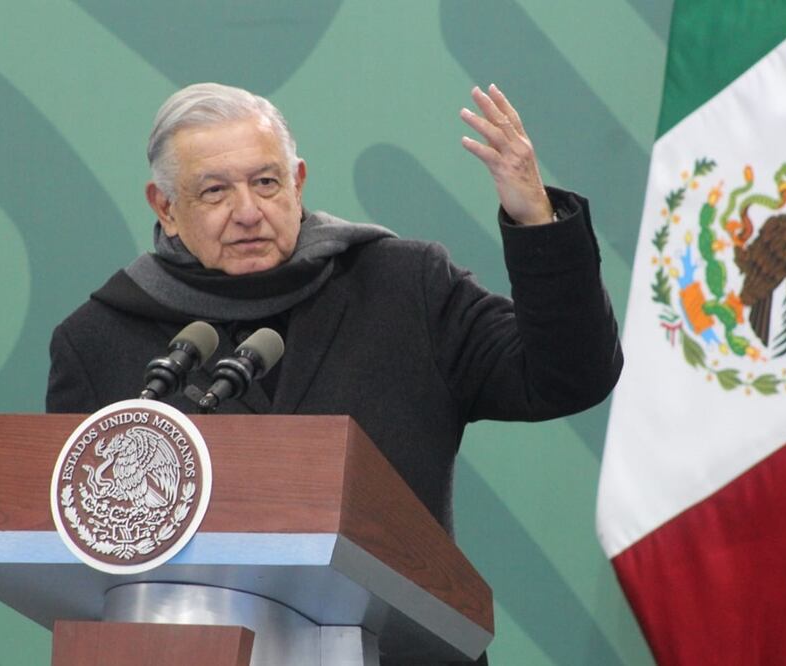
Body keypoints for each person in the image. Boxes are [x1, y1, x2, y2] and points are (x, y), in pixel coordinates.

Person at [46, 82, 623, 665]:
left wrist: (535, 218)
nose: (248, 212)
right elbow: (77, 556)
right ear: (165, 207)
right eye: (215, 191)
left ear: (297, 182)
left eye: (266, 183)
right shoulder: (99, 341)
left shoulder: (404, 287)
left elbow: (571, 375)